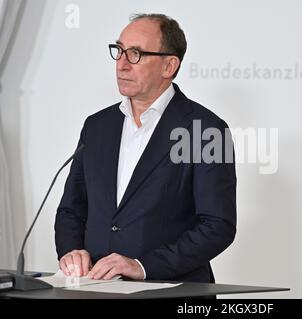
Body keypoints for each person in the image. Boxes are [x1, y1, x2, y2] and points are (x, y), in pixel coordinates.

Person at [54, 13, 236, 283]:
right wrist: (71, 251)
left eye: (136, 54)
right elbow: (72, 209)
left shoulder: (207, 130)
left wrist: (143, 266)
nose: (122, 64)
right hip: (97, 288)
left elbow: (217, 225)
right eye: (119, 51)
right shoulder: (96, 126)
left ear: (169, 66)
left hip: (172, 289)